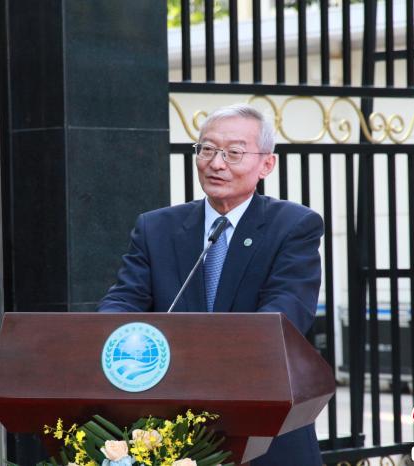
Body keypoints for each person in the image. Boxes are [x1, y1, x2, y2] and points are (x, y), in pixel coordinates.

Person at [97, 104, 324, 465]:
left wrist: (203, 354)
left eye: (233, 153)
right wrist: (106, 337)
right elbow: (124, 300)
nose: (216, 163)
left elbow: (285, 314)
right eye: (207, 149)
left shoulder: (294, 226)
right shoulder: (156, 228)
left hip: (263, 429)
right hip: (168, 429)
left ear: (266, 164)